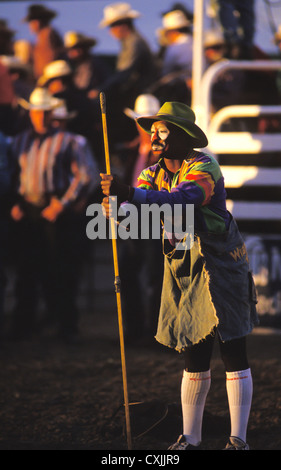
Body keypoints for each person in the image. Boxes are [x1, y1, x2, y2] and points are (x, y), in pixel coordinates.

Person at [100, 101, 259, 449]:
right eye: (153, 130)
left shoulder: (205, 167)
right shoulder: (150, 174)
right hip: (183, 268)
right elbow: (136, 216)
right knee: (194, 351)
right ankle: (190, 438)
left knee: (232, 349)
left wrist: (128, 195)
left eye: (162, 129)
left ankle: (238, 439)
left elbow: (182, 201)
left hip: (221, 263)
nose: (154, 136)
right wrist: (116, 210)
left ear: (183, 135)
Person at [9, 87, 99, 343]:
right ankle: (24, 324)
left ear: (51, 113)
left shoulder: (69, 141)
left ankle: (65, 325)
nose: (41, 117)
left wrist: (63, 203)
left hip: (55, 208)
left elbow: (85, 174)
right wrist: (15, 202)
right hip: (29, 209)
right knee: (27, 270)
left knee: (60, 268)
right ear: (32, 113)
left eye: (45, 112)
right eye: (37, 112)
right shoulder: (19, 141)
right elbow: (15, 174)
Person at [98, 2, 159, 148]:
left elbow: (124, 73)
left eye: (112, 27)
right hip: (135, 91)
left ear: (123, 26)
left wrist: (101, 89)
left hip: (140, 93)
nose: (110, 32)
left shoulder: (134, 43)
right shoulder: (130, 42)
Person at [154, 9, 192, 104]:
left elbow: (166, 72)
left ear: (172, 32)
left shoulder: (174, 48)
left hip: (183, 95)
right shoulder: (196, 43)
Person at [22, 4, 64, 81]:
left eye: (31, 22)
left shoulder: (47, 34)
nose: (30, 26)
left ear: (37, 22)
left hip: (50, 76)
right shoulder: (43, 35)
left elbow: (50, 56)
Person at [64, 31, 110, 96]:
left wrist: (98, 90)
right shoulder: (69, 66)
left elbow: (107, 82)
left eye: (79, 47)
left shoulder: (96, 63)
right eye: (73, 49)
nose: (77, 51)